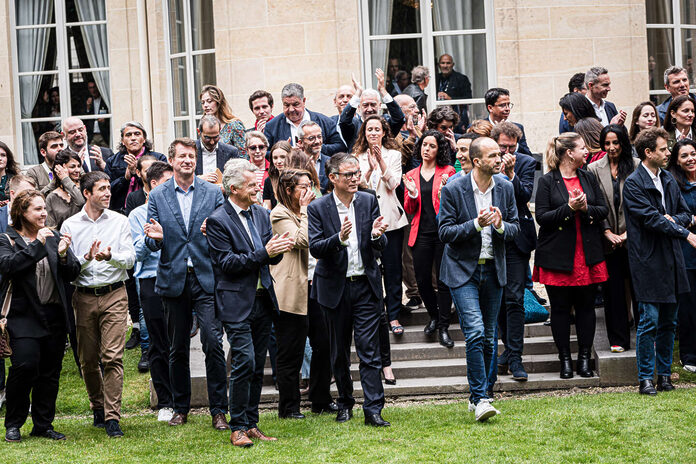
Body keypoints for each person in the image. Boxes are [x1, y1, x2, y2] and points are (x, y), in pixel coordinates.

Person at [206, 159, 295, 446]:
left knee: (258, 364)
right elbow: (227, 263)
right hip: (235, 301)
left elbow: (268, 253)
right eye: (251, 184)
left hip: (262, 299)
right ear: (234, 189)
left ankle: (252, 423)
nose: (258, 188)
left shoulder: (260, 213)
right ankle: (237, 427)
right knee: (244, 360)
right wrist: (265, 252)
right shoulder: (218, 220)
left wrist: (279, 249)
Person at [143, 138, 228, 429]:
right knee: (176, 347)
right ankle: (181, 407)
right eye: (182, 156)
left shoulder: (213, 192)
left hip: (205, 278)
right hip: (173, 278)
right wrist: (155, 239)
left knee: (213, 343)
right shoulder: (158, 195)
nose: (187, 160)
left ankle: (219, 409)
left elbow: (224, 235)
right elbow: (150, 243)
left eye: (191, 156)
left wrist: (214, 233)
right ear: (172, 160)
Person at [438, 137, 519, 421]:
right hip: (462, 271)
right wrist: (475, 224)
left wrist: (499, 225)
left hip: (493, 270)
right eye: (494, 155)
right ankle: (482, 398)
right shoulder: (453, 189)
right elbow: (445, 232)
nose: (500, 159)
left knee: (488, 337)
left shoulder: (506, 188)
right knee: (473, 332)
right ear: (476, 161)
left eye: (500, 154)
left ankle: (480, 394)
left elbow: (516, 229)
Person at [308, 152, 391, 427]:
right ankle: (345, 403)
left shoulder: (368, 201)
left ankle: (374, 409)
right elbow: (316, 247)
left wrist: (379, 236)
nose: (356, 178)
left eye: (357, 173)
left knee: (369, 350)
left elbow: (380, 245)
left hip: (366, 286)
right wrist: (339, 239)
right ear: (333, 178)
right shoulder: (318, 208)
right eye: (349, 174)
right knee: (339, 352)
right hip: (334, 288)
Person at [0, 190, 80, 443]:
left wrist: (65, 254)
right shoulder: (7, 239)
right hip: (23, 315)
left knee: (49, 372)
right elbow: (9, 266)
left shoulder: (53, 237)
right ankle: (13, 423)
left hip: (54, 313)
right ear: (21, 213)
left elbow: (72, 272)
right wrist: (38, 245)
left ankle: (43, 424)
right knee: (24, 365)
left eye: (44, 208)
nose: (44, 213)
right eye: (36, 209)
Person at [60, 171, 135, 438]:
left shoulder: (120, 221)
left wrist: (110, 256)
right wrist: (87, 257)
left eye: (108, 188)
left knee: (112, 357)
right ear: (87, 193)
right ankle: (97, 406)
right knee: (88, 360)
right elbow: (67, 267)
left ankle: (113, 417)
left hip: (115, 293)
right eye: (101, 189)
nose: (107, 193)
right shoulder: (70, 225)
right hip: (82, 296)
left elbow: (129, 260)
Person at [623, 127, 696, 395]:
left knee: (669, 321)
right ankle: (645, 378)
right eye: (664, 149)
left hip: (672, 258)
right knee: (649, 320)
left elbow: (684, 213)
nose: (668, 153)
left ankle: (664, 376)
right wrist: (685, 233)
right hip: (648, 259)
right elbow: (650, 220)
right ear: (648, 152)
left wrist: (673, 221)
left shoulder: (668, 179)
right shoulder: (633, 184)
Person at [534, 132, 608, 380]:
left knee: (587, 308)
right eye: (582, 148)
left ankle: (584, 359)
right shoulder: (547, 181)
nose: (586, 152)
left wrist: (585, 208)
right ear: (569, 153)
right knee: (561, 309)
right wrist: (569, 209)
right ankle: (565, 360)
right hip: (558, 256)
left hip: (587, 254)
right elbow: (542, 218)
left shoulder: (588, 177)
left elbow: (602, 210)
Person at [352, 116, 409, 337]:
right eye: (369, 129)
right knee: (371, 269)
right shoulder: (356, 156)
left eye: (377, 129)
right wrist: (368, 169)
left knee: (393, 268)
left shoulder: (394, 155)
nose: (373, 133)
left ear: (384, 132)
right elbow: (357, 186)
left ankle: (393, 314)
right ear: (364, 133)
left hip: (391, 220)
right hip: (366, 221)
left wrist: (381, 163)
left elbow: (394, 184)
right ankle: (376, 313)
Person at [490, 122, 537, 381]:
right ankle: (507, 350)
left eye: (511, 147)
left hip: (516, 239)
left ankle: (515, 357)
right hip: (491, 239)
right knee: (498, 299)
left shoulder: (526, 162)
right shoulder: (486, 161)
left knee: (515, 298)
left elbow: (524, 196)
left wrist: (511, 175)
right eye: (502, 147)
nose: (507, 152)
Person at [128, 161, 175, 422]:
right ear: (154, 185)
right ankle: (165, 401)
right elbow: (135, 253)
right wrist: (152, 239)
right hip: (152, 280)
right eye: (168, 182)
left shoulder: (178, 209)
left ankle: (182, 399)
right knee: (158, 342)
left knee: (178, 342)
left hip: (179, 278)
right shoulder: (138, 214)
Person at [587, 125, 640, 353]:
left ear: (623, 143)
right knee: (613, 290)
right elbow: (594, 204)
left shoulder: (637, 167)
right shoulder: (593, 169)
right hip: (607, 239)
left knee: (639, 289)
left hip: (635, 238)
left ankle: (646, 338)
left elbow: (642, 205)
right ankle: (618, 339)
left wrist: (628, 234)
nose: (611, 148)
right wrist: (607, 232)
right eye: (607, 143)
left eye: (615, 143)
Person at [268, 168, 316, 419]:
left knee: (311, 348)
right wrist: (307, 210)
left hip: (313, 288)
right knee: (289, 352)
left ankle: (316, 399)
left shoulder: (305, 210)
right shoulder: (279, 213)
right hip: (289, 293)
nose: (309, 191)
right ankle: (288, 407)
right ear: (289, 190)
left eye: (311, 186)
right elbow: (302, 239)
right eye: (303, 187)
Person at [403, 130, 455, 346]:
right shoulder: (411, 175)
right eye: (424, 144)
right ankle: (434, 315)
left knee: (444, 281)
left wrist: (444, 190)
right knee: (422, 280)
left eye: (432, 146)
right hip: (421, 233)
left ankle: (443, 326)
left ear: (439, 149)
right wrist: (413, 193)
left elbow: (451, 206)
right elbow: (409, 207)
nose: (427, 149)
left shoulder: (448, 172)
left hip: (442, 234)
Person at [666, 139, 696, 373]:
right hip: (687, 252)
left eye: (693, 154)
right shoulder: (673, 184)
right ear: (676, 160)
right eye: (684, 155)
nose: (690, 159)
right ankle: (689, 355)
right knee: (688, 307)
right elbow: (673, 216)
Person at [263, 83, 346, 156]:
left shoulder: (324, 121)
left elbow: (340, 147)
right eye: (287, 105)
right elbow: (264, 153)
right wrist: (283, 152)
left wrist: (314, 147)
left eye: (295, 104)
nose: (291, 109)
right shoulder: (272, 126)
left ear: (304, 101)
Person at [104, 122, 166, 213]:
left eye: (137, 134)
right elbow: (107, 190)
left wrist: (137, 174)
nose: (133, 138)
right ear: (122, 141)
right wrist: (125, 178)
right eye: (128, 135)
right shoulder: (112, 161)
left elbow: (163, 187)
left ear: (144, 139)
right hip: (120, 211)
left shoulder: (158, 159)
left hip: (151, 208)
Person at [338, 69, 405, 150]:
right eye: (365, 105)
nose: (369, 109)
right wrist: (358, 93)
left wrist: (383, 91)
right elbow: (344, 121)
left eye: (373, 105)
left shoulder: (386, 123)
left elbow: (399, 118)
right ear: (359, 107)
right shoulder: (354, 125)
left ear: (380, 106)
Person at [200, 84, 247, 155]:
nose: (205, 105)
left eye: (209, 101)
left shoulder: (235, 125)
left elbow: (243, 154)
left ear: (218, 102)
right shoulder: (204, 125)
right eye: (203, 103)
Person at [195, 115, 242, 184]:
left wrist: (226, 188)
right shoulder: (189, 150)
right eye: (207, 138)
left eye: (216, 137)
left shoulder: (231, 152)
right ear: (199, 132)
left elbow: (238, 180)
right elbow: (180, 178)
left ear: (220, 131)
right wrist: (197, 180)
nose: (212, 142)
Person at [484, 88, 532, 155]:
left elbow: (528, 155)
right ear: (490, 108)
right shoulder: (480, 127)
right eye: (502, 105)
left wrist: (514, 144)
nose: (507, 109)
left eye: (508, 105)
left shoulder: (517, 127)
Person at [45, 150, 85, 230]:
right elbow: (51, 227)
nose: (77, 170)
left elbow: (80, 201)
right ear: (59, 168)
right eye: (72, 167)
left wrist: (65, 178)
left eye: (79, 166)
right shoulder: (51, 197)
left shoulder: (84, 188)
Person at [436, 53, 473, 131]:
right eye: (443, 63)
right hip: (438, 118)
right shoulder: (435, 78)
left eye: (448, 63)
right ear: (439, 65)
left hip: (457, 119)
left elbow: (469, 99)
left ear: (453, 65)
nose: (445, 66)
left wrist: (451, 98)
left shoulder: (461, 79)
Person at [296, 121, 331, 193]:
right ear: (300, 142)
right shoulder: (295, 163)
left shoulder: (331, 162)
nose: (317, 141)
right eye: (311, 138)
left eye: (319, 137)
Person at [263, 141, 292, 210]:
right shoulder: (268, 181)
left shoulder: (299, 178)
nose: (279, 161)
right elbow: (268, 209)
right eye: (275, 158)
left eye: (283, 157)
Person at [83, 80, 110, 147]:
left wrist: (105, 120)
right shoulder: (88, 101)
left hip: (103, 134)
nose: (93, 90)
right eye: (90, 88)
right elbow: (84, 119)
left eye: (94, 87)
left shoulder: (105, 100)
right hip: (92, 135)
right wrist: (88, 108)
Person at [246, 131, 271, 195]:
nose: (257, 151)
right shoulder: (243, 170)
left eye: (261, 147)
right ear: (247, 151)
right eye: (253, 148)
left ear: (266, 148)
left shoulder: (273, 169)